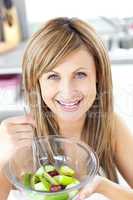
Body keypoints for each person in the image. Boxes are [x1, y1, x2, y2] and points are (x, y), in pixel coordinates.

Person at [0, 17, 133, 200]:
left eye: (80, 74)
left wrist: (103, 186)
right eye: (53, 76)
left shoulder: (111, 125)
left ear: (98, 77)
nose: (67, 92)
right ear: (37, 82)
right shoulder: (19, 140)